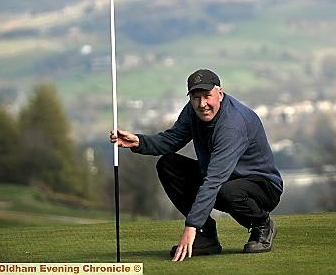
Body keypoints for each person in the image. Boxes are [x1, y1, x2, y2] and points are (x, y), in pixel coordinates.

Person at [110, 69, 283, 262]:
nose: (202, 104)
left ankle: (262, 224)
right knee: (168, 164)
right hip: (225, 179)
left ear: (220, 93)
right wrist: (139, 142)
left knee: (225, 190)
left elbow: (215, 180)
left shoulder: (232, 125)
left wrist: (190, 226)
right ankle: (207, 236)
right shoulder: (192, 112)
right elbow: (172, 139)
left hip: (262, 185)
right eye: (195, 97)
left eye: (207, 96)